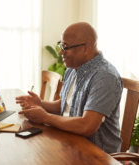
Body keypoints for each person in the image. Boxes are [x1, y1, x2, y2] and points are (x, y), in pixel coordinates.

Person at [15, 22, 123, 153]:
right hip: (68, 141)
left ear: (86, 49)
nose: (61, 51)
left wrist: (45, 117)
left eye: (65, 47)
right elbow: (67, 104)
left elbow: (87, 126)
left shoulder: (105, 77)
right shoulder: (73, 69)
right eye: (61, 45)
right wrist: (41, 104)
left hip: (96, 154)